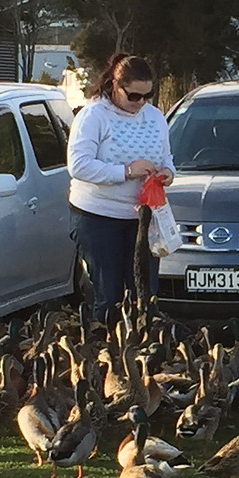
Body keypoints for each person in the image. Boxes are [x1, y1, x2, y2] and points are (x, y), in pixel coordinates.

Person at [66, 52, 174, 322]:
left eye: (147, 96)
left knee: (144, 293)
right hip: (98, 217)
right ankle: (106, 351)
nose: (140, 103)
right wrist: (125, 172)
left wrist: (167, 172)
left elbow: (167, 157)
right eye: (133, 96)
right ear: (115, 86)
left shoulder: (155, 117)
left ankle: (142, 348)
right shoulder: (93, 115)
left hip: (143, 218)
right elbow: (78, 165)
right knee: (109, 295)